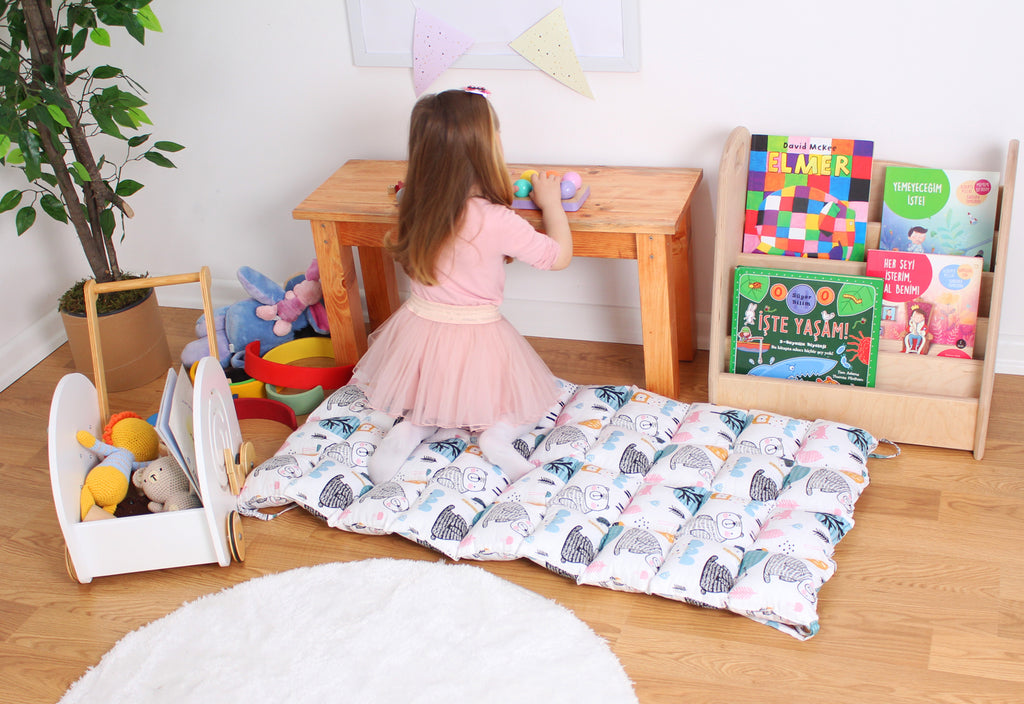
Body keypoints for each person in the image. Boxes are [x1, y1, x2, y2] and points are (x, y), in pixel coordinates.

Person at [351, 87, 573, 484]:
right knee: (527, 403)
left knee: (429, 403)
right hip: (479, 339)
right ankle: (497, 438)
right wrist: (552, 203)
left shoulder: (411, 203)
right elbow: (558, 257)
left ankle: (410, 430)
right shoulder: (494, 219)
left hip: (419, 337)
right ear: (484, 149)